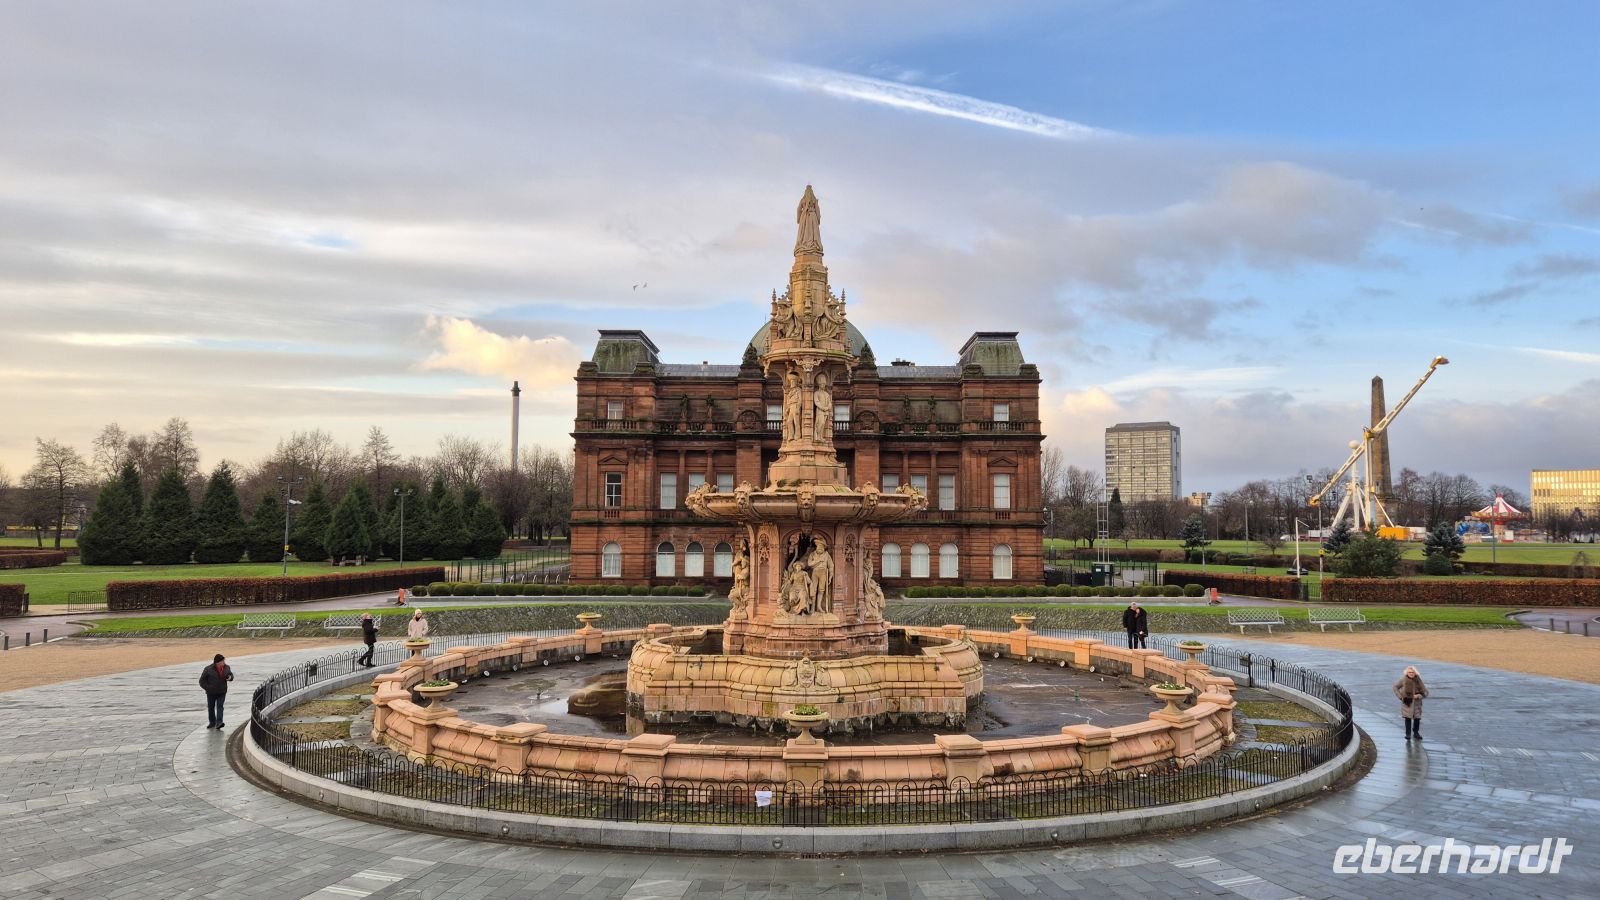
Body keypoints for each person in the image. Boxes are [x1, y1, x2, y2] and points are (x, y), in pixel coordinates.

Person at [199, 653, 234, 730]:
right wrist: (208, 688)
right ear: (217, 662)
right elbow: (201, 681)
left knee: (220, 706)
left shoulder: (227, 667)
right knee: (211, 708)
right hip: (211, 692)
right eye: (222, 661)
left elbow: (231, 675)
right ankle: (212, 723)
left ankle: (219, 723)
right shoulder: (208, 669)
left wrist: (230, 677)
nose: (224, 662)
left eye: (224, 661)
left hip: (222, 691)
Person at [1394, 665, 1429, 741]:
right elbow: (1395, 687)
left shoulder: (1418, 680)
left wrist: (1419, 696)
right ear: (1407, 673)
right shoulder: (1403, 679)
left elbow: (1426, 692)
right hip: (1407, 702)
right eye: (1409, 672)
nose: (1411, 674)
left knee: (1417, 719)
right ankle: (1408, 734)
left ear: (1415, 673)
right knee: (1408, 718)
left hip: (1417, 703)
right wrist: (1400, 697)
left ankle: (1416, 733)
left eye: (1412, 672)